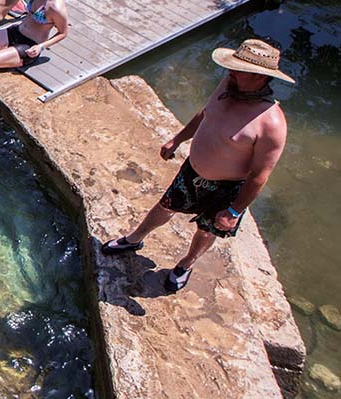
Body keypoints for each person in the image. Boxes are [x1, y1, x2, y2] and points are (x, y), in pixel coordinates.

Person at [100, 39, 293, 292]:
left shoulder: (271, 123)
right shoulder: (228, 86)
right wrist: (178, 139)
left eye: (238, 70)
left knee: (206, 230)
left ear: (260, 77)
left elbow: (259, 175)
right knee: (165, 207)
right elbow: (206, 114)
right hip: (193, 170)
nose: (231, 72)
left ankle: (186, 264)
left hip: (226, 187)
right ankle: (134, 239)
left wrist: (234, 212)